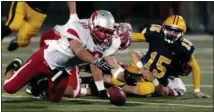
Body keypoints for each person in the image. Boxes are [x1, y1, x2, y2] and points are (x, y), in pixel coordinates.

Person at [3, 10, 115, 102]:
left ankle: (39, 83)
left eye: (109, 32)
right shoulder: (79, 27)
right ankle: (15, 66)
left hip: (62, 71)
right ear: (93, 25)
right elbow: (78, 50)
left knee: (54, 98)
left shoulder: (107, 43)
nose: (106, 36)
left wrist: (105, 83)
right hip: (45, 60)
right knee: (9, 88)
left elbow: (94, 62)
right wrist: (96, 61)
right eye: (103, 31)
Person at [129, 15, 210, 98]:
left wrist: (197, 91)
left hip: (159, 79)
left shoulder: (182, 48)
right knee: (133, 66)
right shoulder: (156, 34)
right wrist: (120, 36)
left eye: (176, 32)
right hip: (142, 71)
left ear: (182, 33)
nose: (171, 34)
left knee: (148, 89)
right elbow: (135, 38)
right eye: (169, 30)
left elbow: (195, 67)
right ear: (164, 27)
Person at [2, 1, 77, 51]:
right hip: (24, 3)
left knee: (23, 42)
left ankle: (17, 42)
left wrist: (73, 14)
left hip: (39, 13)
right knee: (13, 25)